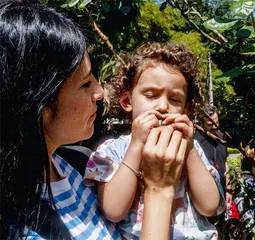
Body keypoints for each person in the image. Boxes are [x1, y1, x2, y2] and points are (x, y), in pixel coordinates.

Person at [0, 1, 187, 239]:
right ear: (39, 103)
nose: (99, 92)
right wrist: (159, 189)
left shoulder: (81, 164)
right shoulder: (21, 227)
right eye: (85, 83)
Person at [83, 42, 226, 239]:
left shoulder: (191, 149)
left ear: (186, 110)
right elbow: (113, 210)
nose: (162, 107)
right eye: (151, 95)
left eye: (175, 100)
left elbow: (210, 206)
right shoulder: (113, 150)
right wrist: (136, 146)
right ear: (127, 101)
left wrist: (190, 151)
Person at [193, 105, 231, 206]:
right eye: (210, 124)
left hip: (223, 192)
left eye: (217, 123)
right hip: (205, 196)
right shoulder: (195, 142)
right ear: (201, 124)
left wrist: (228, 189)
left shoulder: (221, 137)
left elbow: (225, 163)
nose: (215, 127)